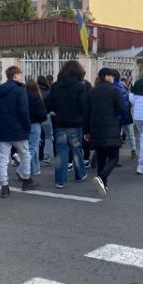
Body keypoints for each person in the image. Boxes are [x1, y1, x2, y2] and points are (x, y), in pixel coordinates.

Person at [44, 60, 88, 188]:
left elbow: (49, 104)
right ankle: (80, 174)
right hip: (75, 123)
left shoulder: (55, 86)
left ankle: (60, 180)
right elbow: (83, 106)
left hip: (60, 123)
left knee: (61, 153)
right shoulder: (80, 86)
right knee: (76, 150)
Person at [0, 66, 33, 197]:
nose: (21, 76)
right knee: (25, 155)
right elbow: (24, 111)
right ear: (15, 76)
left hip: (4, 129)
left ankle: (4, 187)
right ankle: (26, 181)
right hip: (19, 129)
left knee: (3, 159)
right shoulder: (20, 90)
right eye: (20, 74)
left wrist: (0, 122)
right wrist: (27, 127)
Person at [85, 68, 126, 198]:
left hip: (96, 128)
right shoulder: (114, 91)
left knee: (101, 157)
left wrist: (86, 131)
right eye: (111, 76)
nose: (113, 78)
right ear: (106, 76)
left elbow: (86, 113)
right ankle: (102, 177)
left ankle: (103, 185)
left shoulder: (92, 92)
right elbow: (122, 109)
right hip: (111, 127)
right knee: (114, 157)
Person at [26, 79, 48, 178]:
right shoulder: (37, 97)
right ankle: (22, 168)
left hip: (25, 123)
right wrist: (43, 118)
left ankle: (35, 169)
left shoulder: (23, 97)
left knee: (31, 146)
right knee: (33, 147)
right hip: (35, 123)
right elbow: (42, 113)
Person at [113, 72, 136, 159]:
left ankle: (132, 150)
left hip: (121, 118)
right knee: (130, 135)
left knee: (123, 135)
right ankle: (133, 150)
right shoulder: (127, 94)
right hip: (127, 117)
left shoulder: (119, 91)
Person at [37, 75, 54, 164]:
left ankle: (37, 155)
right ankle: (46, 156)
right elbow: (50, 104)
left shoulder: (35, 91)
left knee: (37, 136)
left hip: (36, 117)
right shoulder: (48, 91)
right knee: (48, 136)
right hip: (46, 116)